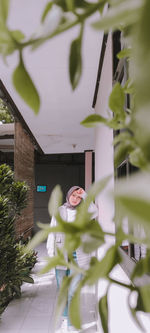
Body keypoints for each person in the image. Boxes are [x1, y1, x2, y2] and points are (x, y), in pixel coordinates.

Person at [46, 186, 98, 332]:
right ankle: (65, 320)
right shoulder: (60, 211)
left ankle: (71, 324)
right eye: (73, 196)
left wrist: (85, 195)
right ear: (68, 196)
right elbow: (52, 233)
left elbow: (95, 211)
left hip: (78, 257)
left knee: (73, 291)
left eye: (78, 197)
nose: (75, 199)